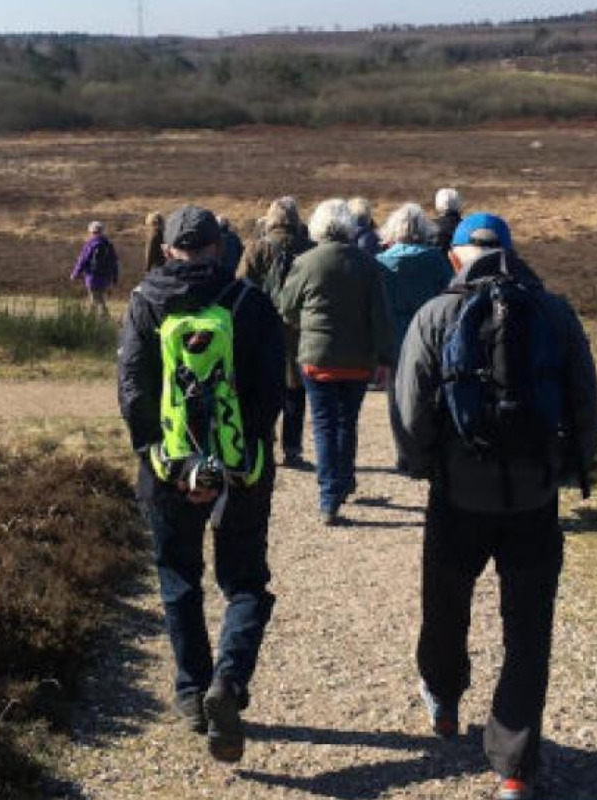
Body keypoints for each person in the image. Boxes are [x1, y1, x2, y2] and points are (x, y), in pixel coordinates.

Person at [393, 212, 597, 800]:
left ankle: (444, 702)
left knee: (445, 603)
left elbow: (409, 412)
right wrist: (565, 469)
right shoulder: (555, 314)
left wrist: (425, 466)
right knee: (528, 628)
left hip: (458, 495)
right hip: (533, 498)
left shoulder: (435, 314)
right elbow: (586, 405)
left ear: (457, 256)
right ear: (512, 252)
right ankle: (513, 766)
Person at [117, 204, 284, 764]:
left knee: (179, 579)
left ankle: (191, 695)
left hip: (168, 468)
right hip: (242, 469)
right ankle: (228, 684)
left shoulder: (144, 302)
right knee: (245, 583)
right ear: (219, 247)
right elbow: (269, 395)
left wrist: (165, 459)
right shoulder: (251, 304)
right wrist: (241, 456)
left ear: (167, 250)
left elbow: (135, 393)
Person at [278, 198, 393, 525]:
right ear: (348, 227)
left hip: (317, 358)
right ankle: (343, 480)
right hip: (358, 360)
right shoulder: (368, 264)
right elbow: (380, 316)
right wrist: (384, 356)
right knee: (347, 421)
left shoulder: (306, 262)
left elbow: (286, 307)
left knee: (325, 424)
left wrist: (306, 325)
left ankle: (330, 495)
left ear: (316, 226)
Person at [238, 198, 315, 469]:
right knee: (295, 389)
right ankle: (292, 449)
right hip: (299, 328)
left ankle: (263, 436)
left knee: (264, 383)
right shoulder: (309, 249)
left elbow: (241, 285)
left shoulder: (256, 249)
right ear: (296, 219)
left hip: (263, 325)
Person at [376, 203, 453, 470]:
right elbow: (449, 293)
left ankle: (404, 452)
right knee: (429, 392)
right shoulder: (435, 260)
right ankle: (426, 448)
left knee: (396, 396)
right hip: (430, 336)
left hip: (394, 338)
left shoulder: (381, 263)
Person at [70, 221, 119, 316]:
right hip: (106, 277)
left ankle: (105, 319)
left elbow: (83, 260)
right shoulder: (108, 244)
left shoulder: (91, 244)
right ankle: (91, 319)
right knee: (97, 298)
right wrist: (115, 278)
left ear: (91, 232)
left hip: (93, 277)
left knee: (97, 300)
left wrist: (75, 273)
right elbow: (115, 262)